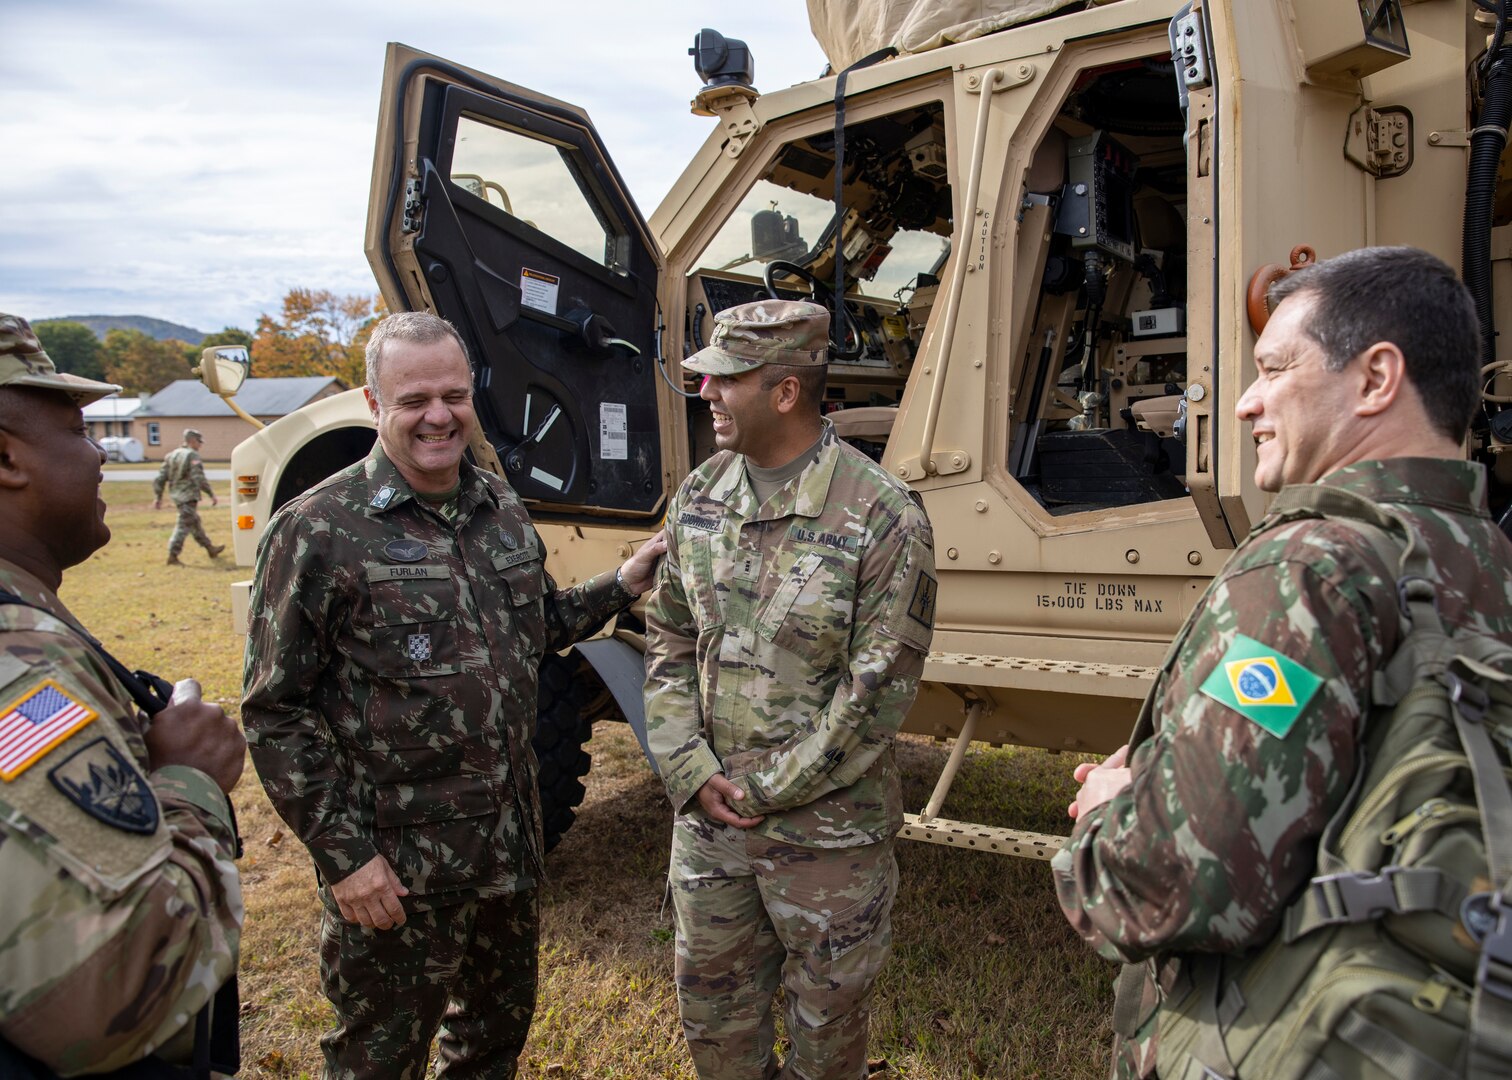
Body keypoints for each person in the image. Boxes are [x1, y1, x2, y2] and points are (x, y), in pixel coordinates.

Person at [1052, 246, 1512, 1077]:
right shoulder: (1486, 556)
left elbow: (1177, 883)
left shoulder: (1308, 569)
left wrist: (1109, 811)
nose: (1244, 403)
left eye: (1274, 369)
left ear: (1376, 379)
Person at [241, 310, 665, 1080]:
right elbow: (276, 713)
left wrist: (619, 584)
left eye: (453, 395)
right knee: (378, 1056)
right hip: (397, 871)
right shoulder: (317, 531)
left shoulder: (499, 508)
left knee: (493, 1044)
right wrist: (346, 861)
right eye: (413, 401)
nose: (438, 415)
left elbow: (532, 629)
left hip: (507, 852)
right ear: (374, 405)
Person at [644, 300, 937, 1080]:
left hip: (828, 842)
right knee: (714, 1024)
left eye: (724, 377)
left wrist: (766, 787)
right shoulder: (699, 497)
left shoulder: (883, 517)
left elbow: (876, 692)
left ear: (784, 392)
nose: (704, 390)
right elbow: (670, 635)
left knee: (827, 1033)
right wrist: (687, 764)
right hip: (710, 831)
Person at [0, 314, 245, 1075]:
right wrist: (188, 778)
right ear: (6, 458)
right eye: (77, 431)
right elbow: (109, 991)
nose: (100, 452)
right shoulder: (22, 670)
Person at [154, 427, 224, 565]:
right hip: (188, 496)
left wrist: (158, 496)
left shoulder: (171, 455)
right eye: (199, 442)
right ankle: (172, 555)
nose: (200, 445)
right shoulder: (192, 455)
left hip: (177, 496)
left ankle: (210, 548)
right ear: (192, 441)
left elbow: (160, 478)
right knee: (183, 525)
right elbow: (199, 477)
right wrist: (211, 494)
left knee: (194, 523)